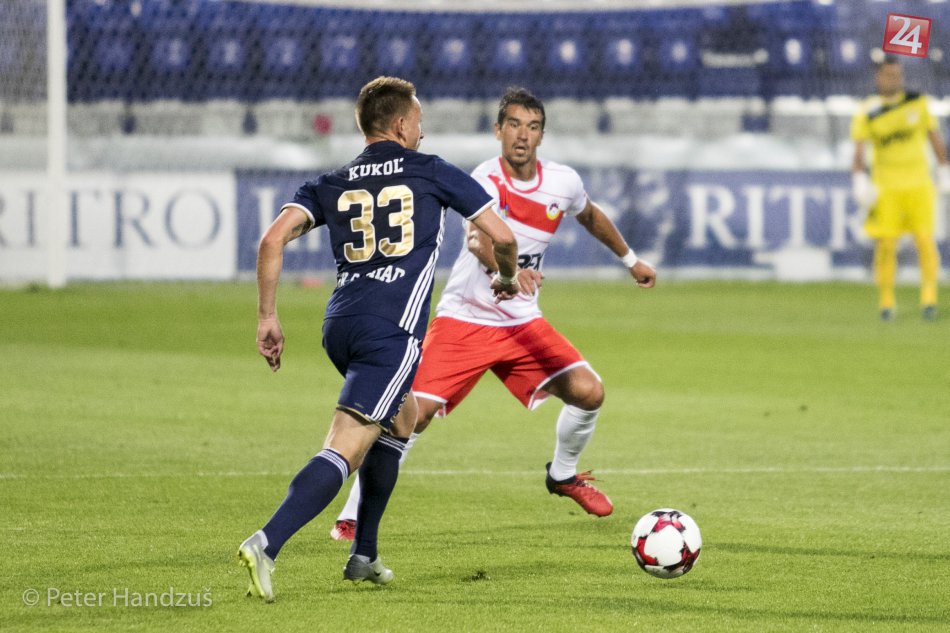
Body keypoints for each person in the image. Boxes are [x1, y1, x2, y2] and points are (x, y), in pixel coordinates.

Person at [330, 87, 657, 542]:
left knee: (589, 392)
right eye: (515, 125)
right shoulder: (485, 178)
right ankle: (352, 514)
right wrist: (512, 272)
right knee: (411, 415)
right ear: (498, 130)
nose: (523, 135)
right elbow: (476, 239)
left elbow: (589, 215)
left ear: (542, 135)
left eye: (533, 127)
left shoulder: (562, 182)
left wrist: (630, 260)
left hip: (520, 323)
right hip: (465, 318)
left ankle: (562, 475)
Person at [238, 76, 520, 601]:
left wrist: (267, 318)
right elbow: (503, 237)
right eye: (419, 120)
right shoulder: (430, 170)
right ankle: (267, 543)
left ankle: (363, 555)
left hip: (340, 324)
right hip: (391, 331)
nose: (422, 129)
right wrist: (506, 277)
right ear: (401, 124)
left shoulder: (332, 181)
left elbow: (271, 240)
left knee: (403, 419)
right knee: (346, 444)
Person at [851, 56, 950, 321]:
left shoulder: (917, 102)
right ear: (878, 77)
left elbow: (934, 139)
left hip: (919, 184)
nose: (894, 80)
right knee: (886, 244)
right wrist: (859, 179)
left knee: (925, 241)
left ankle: (929, 300)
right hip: (886, 188)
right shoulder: (868, 110)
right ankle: (886, 303)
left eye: (897, 75)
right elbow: (859, 151)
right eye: (888, 75)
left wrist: (944, 170)